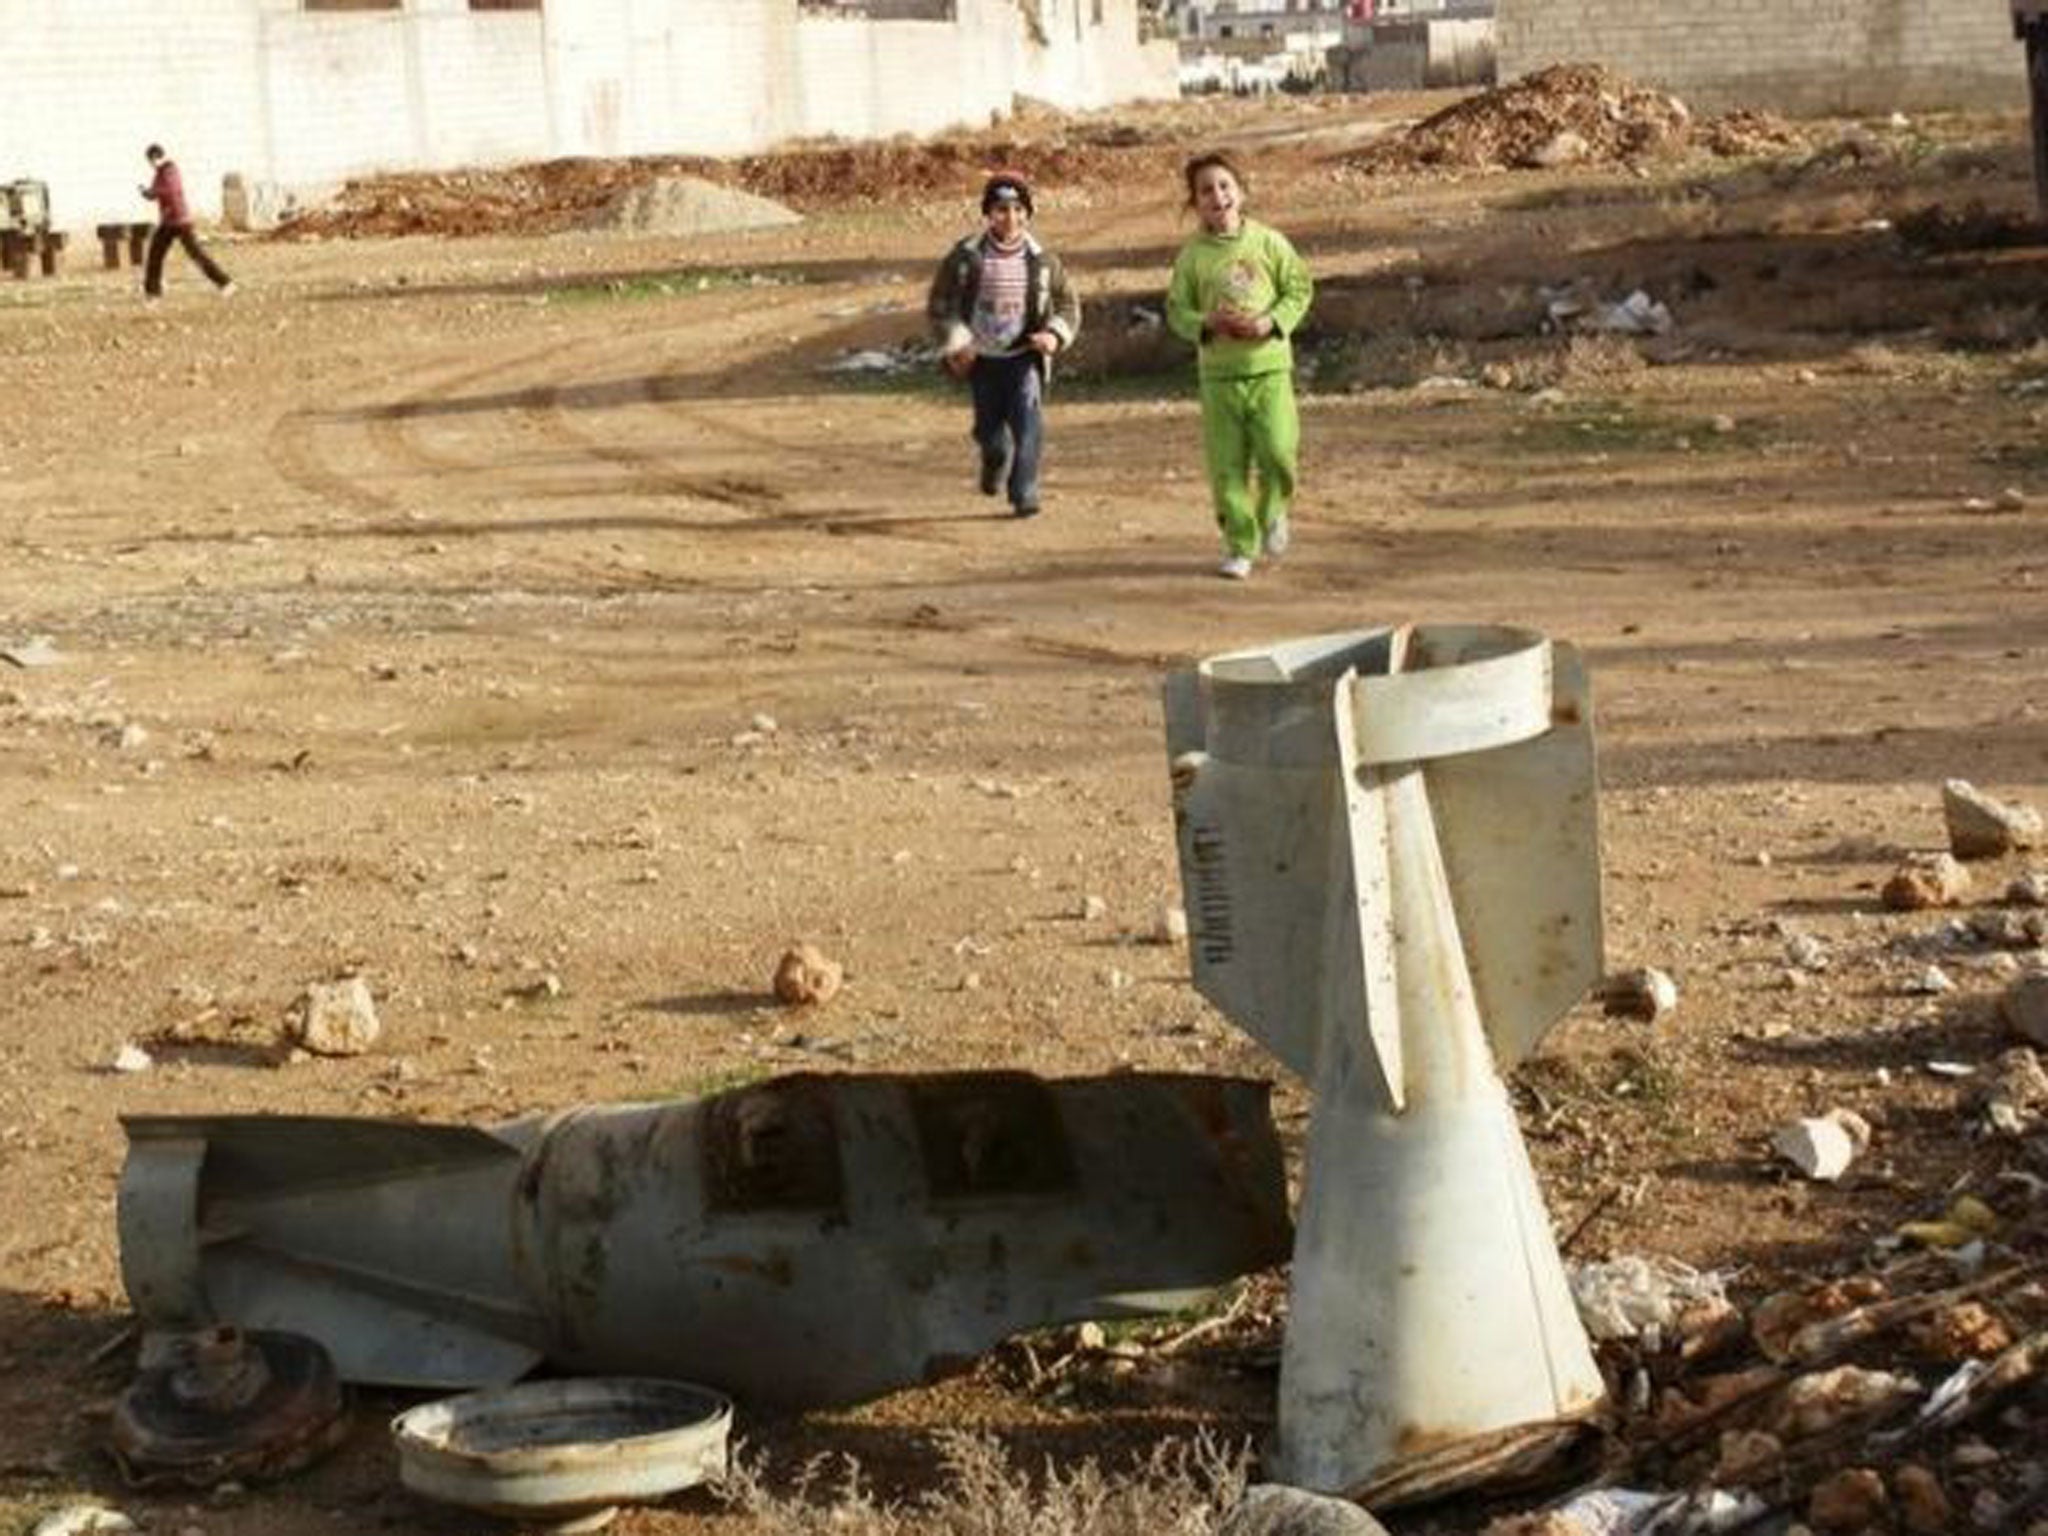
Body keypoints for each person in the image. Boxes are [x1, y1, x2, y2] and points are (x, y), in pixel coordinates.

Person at [1165, 151, 1313, 580]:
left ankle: (1273, 512)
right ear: (1195, 203)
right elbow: (1177, 311)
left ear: (1241, 192)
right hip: (1219, 378)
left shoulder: (1269, 242)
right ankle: (1240, 544)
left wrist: (1271, 321)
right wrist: (1207, 323)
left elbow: (1299, 289)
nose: (1218, 196)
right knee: (1227, 465)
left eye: (1225, 186)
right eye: (1206, 190)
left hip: (1269, 371)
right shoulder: (1191, 257)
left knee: (1278, 452)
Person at [926, 172, 1079, 519]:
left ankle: (1024, 490)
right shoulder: (966, 257)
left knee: (1029, 425)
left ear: (1027, 214)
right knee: (990, 432)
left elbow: (1068, 305)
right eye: (1000, 210)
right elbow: (941, 303)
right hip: (982, 360)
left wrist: (1053, 334)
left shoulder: (1043, 262)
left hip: (1023, 357)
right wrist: (956, 343)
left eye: (1016, 210)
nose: (1009, 219)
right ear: (988, 214)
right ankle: (993, 461)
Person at [139, 144, 234, 299]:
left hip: (179, 221)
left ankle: (225, 283)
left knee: (196, 255)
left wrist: (152, 192)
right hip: (168, 222)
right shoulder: (160, 173)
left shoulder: (170, 170)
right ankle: (152, 292)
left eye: (151, 160)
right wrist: (147, 193)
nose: (150, 164)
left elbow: (169, 189)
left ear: (156, 157)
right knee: (155, 255)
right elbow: (157, 193)